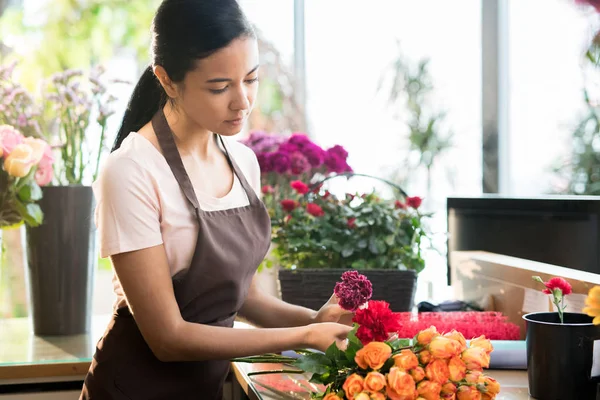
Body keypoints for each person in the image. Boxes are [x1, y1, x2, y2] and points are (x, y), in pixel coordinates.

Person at [80, 1, 352, 399]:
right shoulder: (131, 170)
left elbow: (247, 298)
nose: (242, 100)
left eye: (252, 79)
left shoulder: (242, 161)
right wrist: (306, 334)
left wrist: (319, 321)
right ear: (168, 80)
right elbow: (168, 338)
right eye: (220, 87)